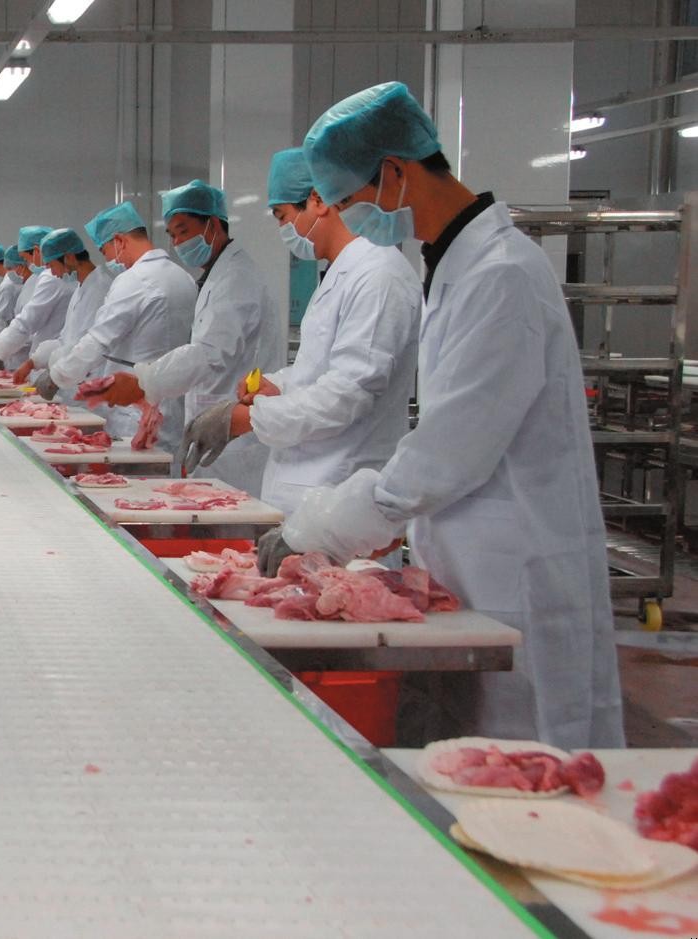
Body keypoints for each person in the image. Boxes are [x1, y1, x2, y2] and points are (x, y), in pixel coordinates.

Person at [261, 81, 623, 748]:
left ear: (394, 173)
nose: (350, 218)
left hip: (520, 568)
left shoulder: (500, 275)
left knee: (533, 757)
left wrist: (328, 526)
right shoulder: (456, 266)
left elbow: (450, 448)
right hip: (472, 561)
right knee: (474, 755)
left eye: (351, 200)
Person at [180, 147, 420, 520]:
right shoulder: (341, 273)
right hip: (309, 491)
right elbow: (321, 371)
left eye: (283, 216)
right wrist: (278, 385)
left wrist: (244, 419)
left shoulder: (378, 276)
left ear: (318, 200)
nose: (283, 230)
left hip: (340, 495)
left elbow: (347, 395)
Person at [93, 180, 285, 496]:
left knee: (230, 513)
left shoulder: (236, 278)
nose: (178, 242)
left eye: (183, 231)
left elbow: (207, 354)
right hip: (214, 426)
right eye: (172, 235)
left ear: (213, 224)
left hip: (235, 438)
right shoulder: (217, 275)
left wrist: (144, 382)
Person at [55, 201, 197, 438]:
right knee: (164, 459)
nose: (111, 260)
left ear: (119, 241)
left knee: (138, 462)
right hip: (171, 406)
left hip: (135, 412)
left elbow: (99, 340)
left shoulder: (134, 279)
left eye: (105, 251)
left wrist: (59, 376)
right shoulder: (183, 277)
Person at [25, 227, 116, 399]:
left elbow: (89, 346)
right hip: (73, 384)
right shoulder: (80, 288)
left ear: (69, 258)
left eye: (52, 265)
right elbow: (65, 340)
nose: (53, 273)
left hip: (90, 384)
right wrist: (34, 362)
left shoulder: (100, 288)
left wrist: (55, 376)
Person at [0, 223, 77, 372]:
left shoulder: (52, 277)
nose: (28, 265)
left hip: (51, 358)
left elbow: (27, 320)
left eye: (26, 259)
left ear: (37, 251)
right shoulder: (51, 277)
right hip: (51, 356)